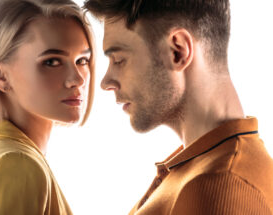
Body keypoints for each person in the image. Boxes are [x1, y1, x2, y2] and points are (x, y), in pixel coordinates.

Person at [83, 0, 273, 214]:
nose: (106, 82)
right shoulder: (198, 167)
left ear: (178, 51)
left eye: (119, 60)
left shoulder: (224, 185)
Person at [0, 0, 95, 214]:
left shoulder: (0, 158)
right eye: (52, 61)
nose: (77, 79)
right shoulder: (16, 165)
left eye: (82, 60)